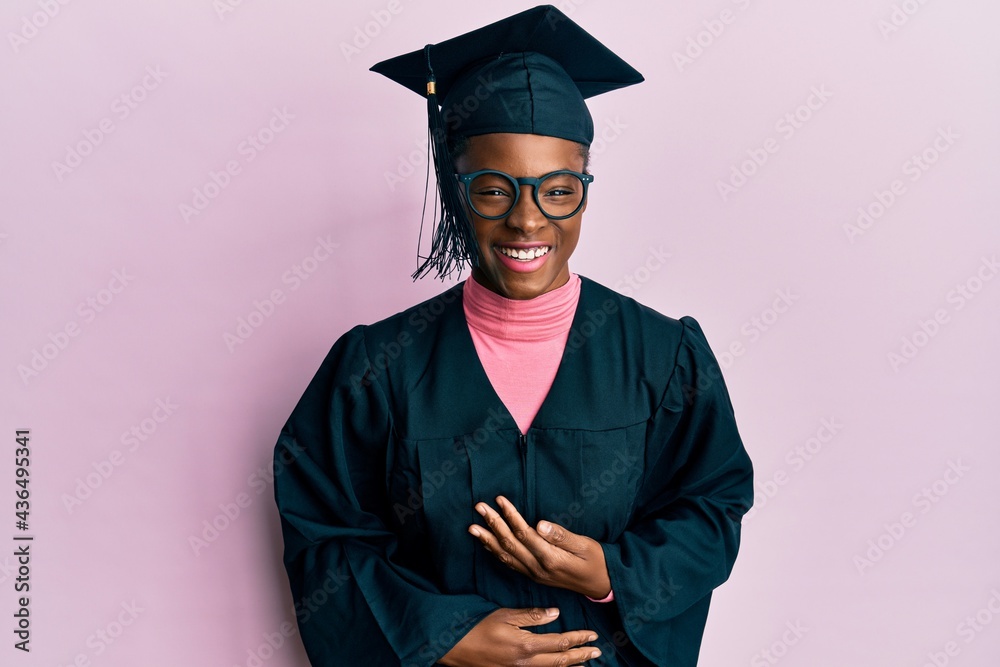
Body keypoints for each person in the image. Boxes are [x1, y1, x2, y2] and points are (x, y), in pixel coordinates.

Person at [272, 5, 754, 666]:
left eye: (558, 190)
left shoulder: (661, 357)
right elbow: (326, 537)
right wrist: (441, 633)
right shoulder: (376, 368)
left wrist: (614, 572)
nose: (528, 221)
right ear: (456, 189)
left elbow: (711, 507)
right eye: (494, 190)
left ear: (584, 189)